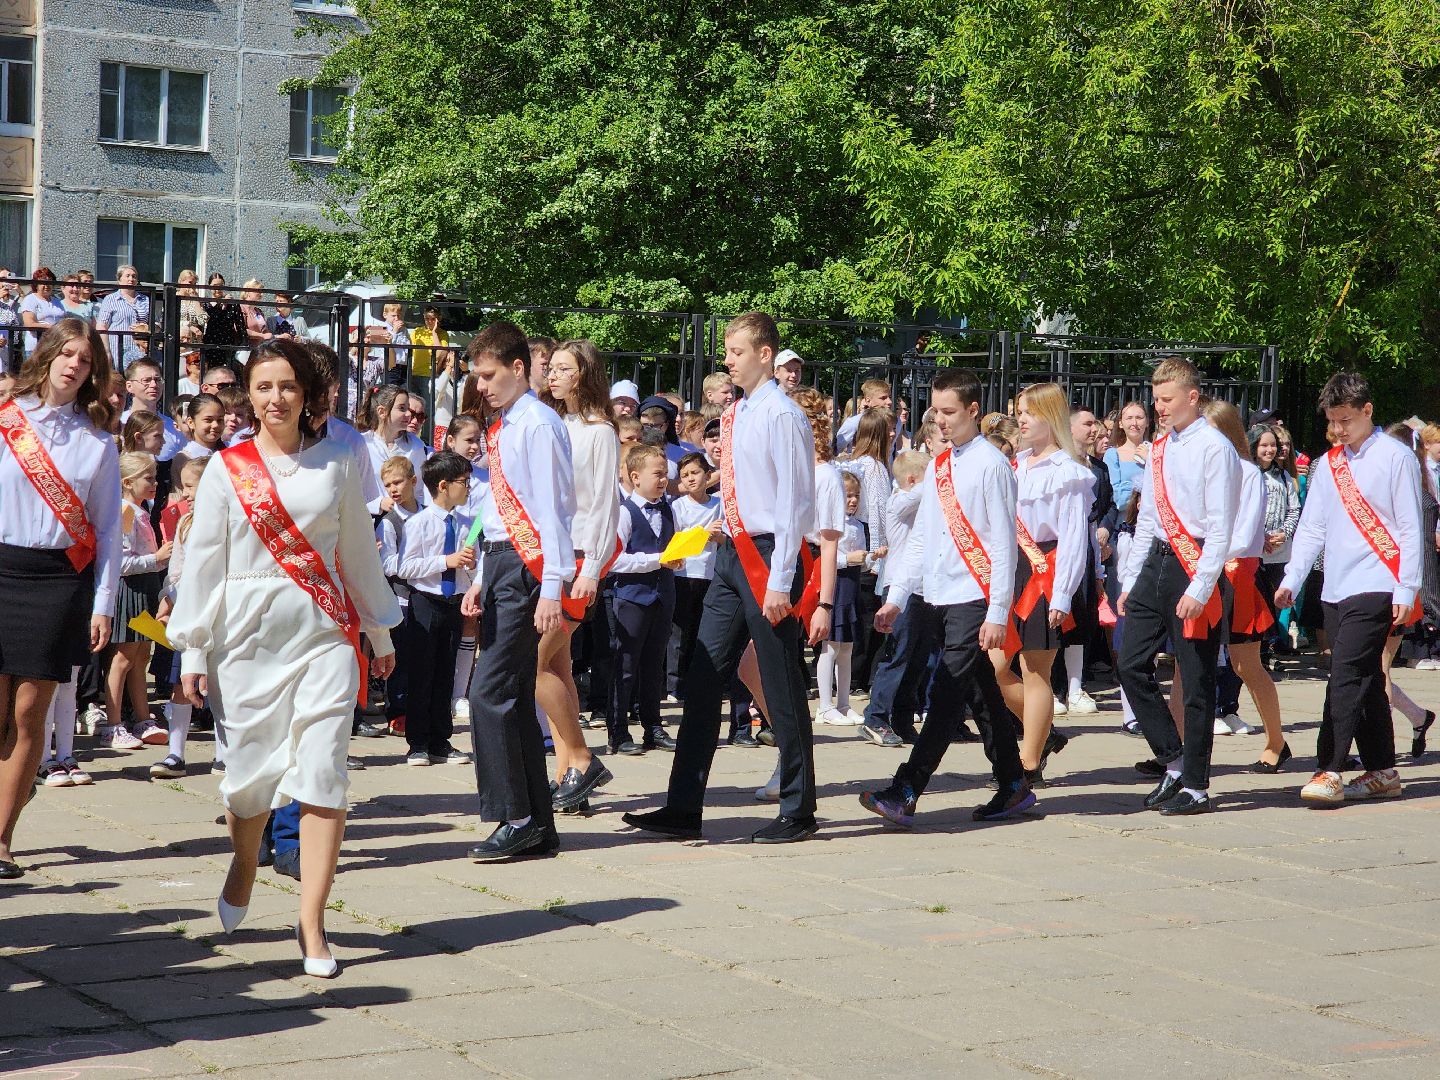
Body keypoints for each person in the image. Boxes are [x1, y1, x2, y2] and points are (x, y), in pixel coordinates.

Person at [168, 339, 400, 975]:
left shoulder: (337, 467)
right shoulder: (227, 468)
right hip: (246, 641)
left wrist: (379, 634)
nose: (276, 398)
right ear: (251, 394)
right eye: (264, 386)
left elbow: (358, 556)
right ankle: (244, 861)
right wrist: (192, 647)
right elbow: (205, 564)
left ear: (308, 395)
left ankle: (312, 922)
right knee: (249, 784)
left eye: (288, 387)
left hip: (324, 635)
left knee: (324, 772)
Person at [622, 312, 819, 843]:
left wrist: (781, 579)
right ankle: (683, 804)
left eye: (735, 350)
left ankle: (799, 808)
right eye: (726, 351)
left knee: (779, 682)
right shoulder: (738, 413)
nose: (726, 359)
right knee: (705, 676)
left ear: (763, 354)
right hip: (731, 553)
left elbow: (792, 499)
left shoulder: (782, 414)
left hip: (768, 554)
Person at [858, 370, 1035, 828]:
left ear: (974, 411)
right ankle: (1013, 782)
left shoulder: (991, 464)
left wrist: (998, 611)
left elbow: (1002, 543)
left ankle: (906, 788)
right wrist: (896, 596)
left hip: (975, 595)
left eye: (949, 412)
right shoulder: (940, 465)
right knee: (980, 692)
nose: (939, 420)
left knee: (946, 694)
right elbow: (921, 538)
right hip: (938, 594)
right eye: (935, 410)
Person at [0, 319, 121, 877]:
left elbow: (108, 532)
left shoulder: (97, 444)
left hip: (55, 582)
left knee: (31, 715)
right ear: (46, 356)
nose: (74, 364)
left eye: (86, 359)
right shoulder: (6, 421)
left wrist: (103, 603)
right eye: (66, 353)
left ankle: (2, 839)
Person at [458, 322, 576, 861]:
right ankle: (537, 823)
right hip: (505, 562)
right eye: (476, 376)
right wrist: (482, 574)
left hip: (531, 569)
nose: (480, 385)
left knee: (489, 692)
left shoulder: (537, 424)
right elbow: (497, 505)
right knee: (511, 691)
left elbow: (552, 510)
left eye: (488, 375)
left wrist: (552, 584)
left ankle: (518, 815)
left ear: (518, 368)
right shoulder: (506, 425)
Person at [1276, 373, 1422, 805]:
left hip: (1379, 582)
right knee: (1365, 677)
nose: (1338, 429)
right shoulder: (1328, 463)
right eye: (1333, 421)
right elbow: (1312, 526)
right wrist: (1292, 578)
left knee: (1343, 675)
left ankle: (1330, 767)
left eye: (1345, 420)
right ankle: (1382, 769)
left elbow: (1411, 527)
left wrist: (1406, 588)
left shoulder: (1395, 456)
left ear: (1367, 411)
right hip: (1336, 585)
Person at [1117, 358, 1242, 815]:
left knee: (1195, 679)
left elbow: (1220, 525)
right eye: (1155, 400)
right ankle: (1173, 760)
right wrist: (1132, 578)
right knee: (1130, 665)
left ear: (1192, 397)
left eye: (1166, 399)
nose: (1159, 408)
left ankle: (1196, 785)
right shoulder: (1159, 448)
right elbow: (1148, 517)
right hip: (1156, 563)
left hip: (1196, 565)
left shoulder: (1215, 447)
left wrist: (1203, 585)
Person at [989, 383, 1094, 786]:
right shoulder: (1015, 464)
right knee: (993, 666)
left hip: (1044, 572)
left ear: (1050, 417)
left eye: (1029, 412)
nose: (1021, 419)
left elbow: (1071, 538)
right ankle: (1043, 732)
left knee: (1035, 670)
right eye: (1019, 411)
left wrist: (1063, 593)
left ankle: (1029, 761)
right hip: (1012, 569)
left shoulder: (1068, 473)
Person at [538, 339, 621, 810]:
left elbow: (605, 505)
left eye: (563, 368)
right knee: (558, 666)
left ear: (583, 375)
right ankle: (568, 772)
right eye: (551, 367)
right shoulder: (557, 423)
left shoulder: (599, 432)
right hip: (553, 556)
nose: (552, 375)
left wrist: (591, 569)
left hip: (578, 560)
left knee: (533, 662)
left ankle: (584, 760)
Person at [1202, 400, 1288, 772]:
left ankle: (1276, 740)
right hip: (1204, 570)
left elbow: (1243, 532)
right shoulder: (1203, 467)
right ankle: (1176, 750)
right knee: (1188, 667)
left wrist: (1207, 552)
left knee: (1246, 665)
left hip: (1236, 572)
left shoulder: (1248, 473)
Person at [395, 450, 477, 767]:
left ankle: (441, 740)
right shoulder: (419, 523)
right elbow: (405, 567)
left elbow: (472, 564)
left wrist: (470, 574)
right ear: (443, 485)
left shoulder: (466, 523)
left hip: (453, 602)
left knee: (446, 672)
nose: (468, 487)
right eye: (463, 481)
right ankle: (418, 743)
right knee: (421, 673)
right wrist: (446, 561)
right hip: (424, 603)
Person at [606, 443, 683, 755]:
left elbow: (672, 548)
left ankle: (653, 727)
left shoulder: (668, 509)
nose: (663, 480)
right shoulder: (625, 513)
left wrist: (677, 559)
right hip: (631, 598)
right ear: (635, 477)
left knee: (654, 666)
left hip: (663, 596)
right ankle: (618, 731)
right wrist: (657, 560)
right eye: (657, 474)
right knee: (624, 665)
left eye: (665, 474)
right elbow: (613, 561)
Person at [98, 452, 173, 753]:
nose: (155, 483)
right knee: (124, 658)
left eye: (155, 477)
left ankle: (143, 718)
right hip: (130, 589)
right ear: (128, 482)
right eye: (149, 478)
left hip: (145, 588)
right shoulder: (125, 512)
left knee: (141, 656)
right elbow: (121, 562)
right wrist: (157, 559)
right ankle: (112, 724)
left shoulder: (140, 510)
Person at [857, 449, 932, 747]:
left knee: (917, 659)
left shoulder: (920, 499)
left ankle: (902, 717)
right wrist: (945, 469)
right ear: (912, 479)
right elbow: (928, 490)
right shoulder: (899, 500)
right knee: (897, 656)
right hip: (900, 590)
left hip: (923, 588)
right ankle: (875, 717)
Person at [669, 452, 723, 705]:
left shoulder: (718, 504)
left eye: (695, 473)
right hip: (684, 574)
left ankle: (697, 681)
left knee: (703, 630)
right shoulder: (678, 506)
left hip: (711, 574)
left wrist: (717, 536)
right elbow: (677, 542)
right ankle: (674, 683)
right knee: (680, 632)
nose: (691, 479)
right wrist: (703, 533)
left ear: (708, 475)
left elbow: (725, 539)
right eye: (685, 476)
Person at [359, 385, 428, 510]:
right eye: (402, 408)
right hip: (370, 520)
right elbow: (354, 488)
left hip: (405, 521)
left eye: (408, 408)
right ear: (382, 412)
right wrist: (378, 504)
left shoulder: (416, 446)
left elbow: (419, 490)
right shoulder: (362, 443)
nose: (408, 414)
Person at [94, 265, 151, 361]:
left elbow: (156, 324)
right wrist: (106, 351)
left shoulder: (145, 299)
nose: (131, 279)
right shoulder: (110, 299)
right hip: (118, 349)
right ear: (119, 279)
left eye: (134, 276)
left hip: (141, 349)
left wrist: (146, 327)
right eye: (127, 276)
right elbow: (102, 326)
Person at [1104, 401, 1150, 512]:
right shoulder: (1112, 455)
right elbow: (1116, 498)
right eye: (1129, 418)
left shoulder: (1156, 451)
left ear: (1147, 422)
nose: (1134, 422)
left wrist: (1150, 461)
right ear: (1120, 424)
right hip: (1124, 523)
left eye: (1139, 418)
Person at [20, 269, 65, 355]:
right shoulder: (30, 299)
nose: (47, 285)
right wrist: (51, 327)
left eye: (49, 282)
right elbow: (29, 324)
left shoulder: (57, 301)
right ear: (36, 285)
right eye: (43, 282)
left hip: (55, 346)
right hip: (36, 348)